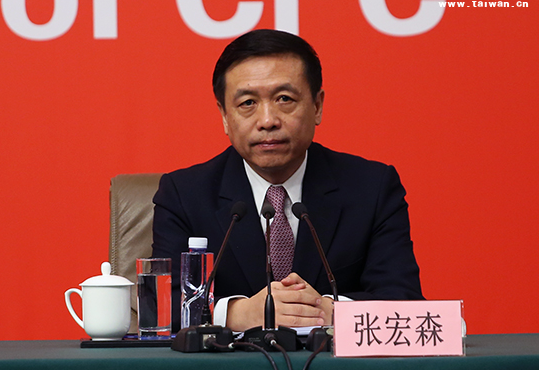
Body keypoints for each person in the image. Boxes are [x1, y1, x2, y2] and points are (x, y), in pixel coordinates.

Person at [151, 29, 423, 333]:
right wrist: (236, 313)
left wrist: (330, 311)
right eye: (248, 103)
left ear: (317, 106)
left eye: (284, 99)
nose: (268, 120)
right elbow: (159, 305)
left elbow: (404, 301)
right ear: (225, 116)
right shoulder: (184, 195)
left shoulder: (371, 188)